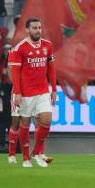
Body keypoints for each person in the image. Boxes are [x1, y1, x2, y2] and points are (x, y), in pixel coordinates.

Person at [10, 18, 56, 168]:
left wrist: (54, 89)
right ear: (27, 30)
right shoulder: (19, 48)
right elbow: (15, 72)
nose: (38, 30)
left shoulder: (47, 45)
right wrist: (17, 93)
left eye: (39, 28)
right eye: (34, 28)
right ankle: (25, 158)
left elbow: (51, 68)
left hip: (42, 90)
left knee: (47, 120)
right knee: (24, 124)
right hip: (26, 92)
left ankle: (36, 152)